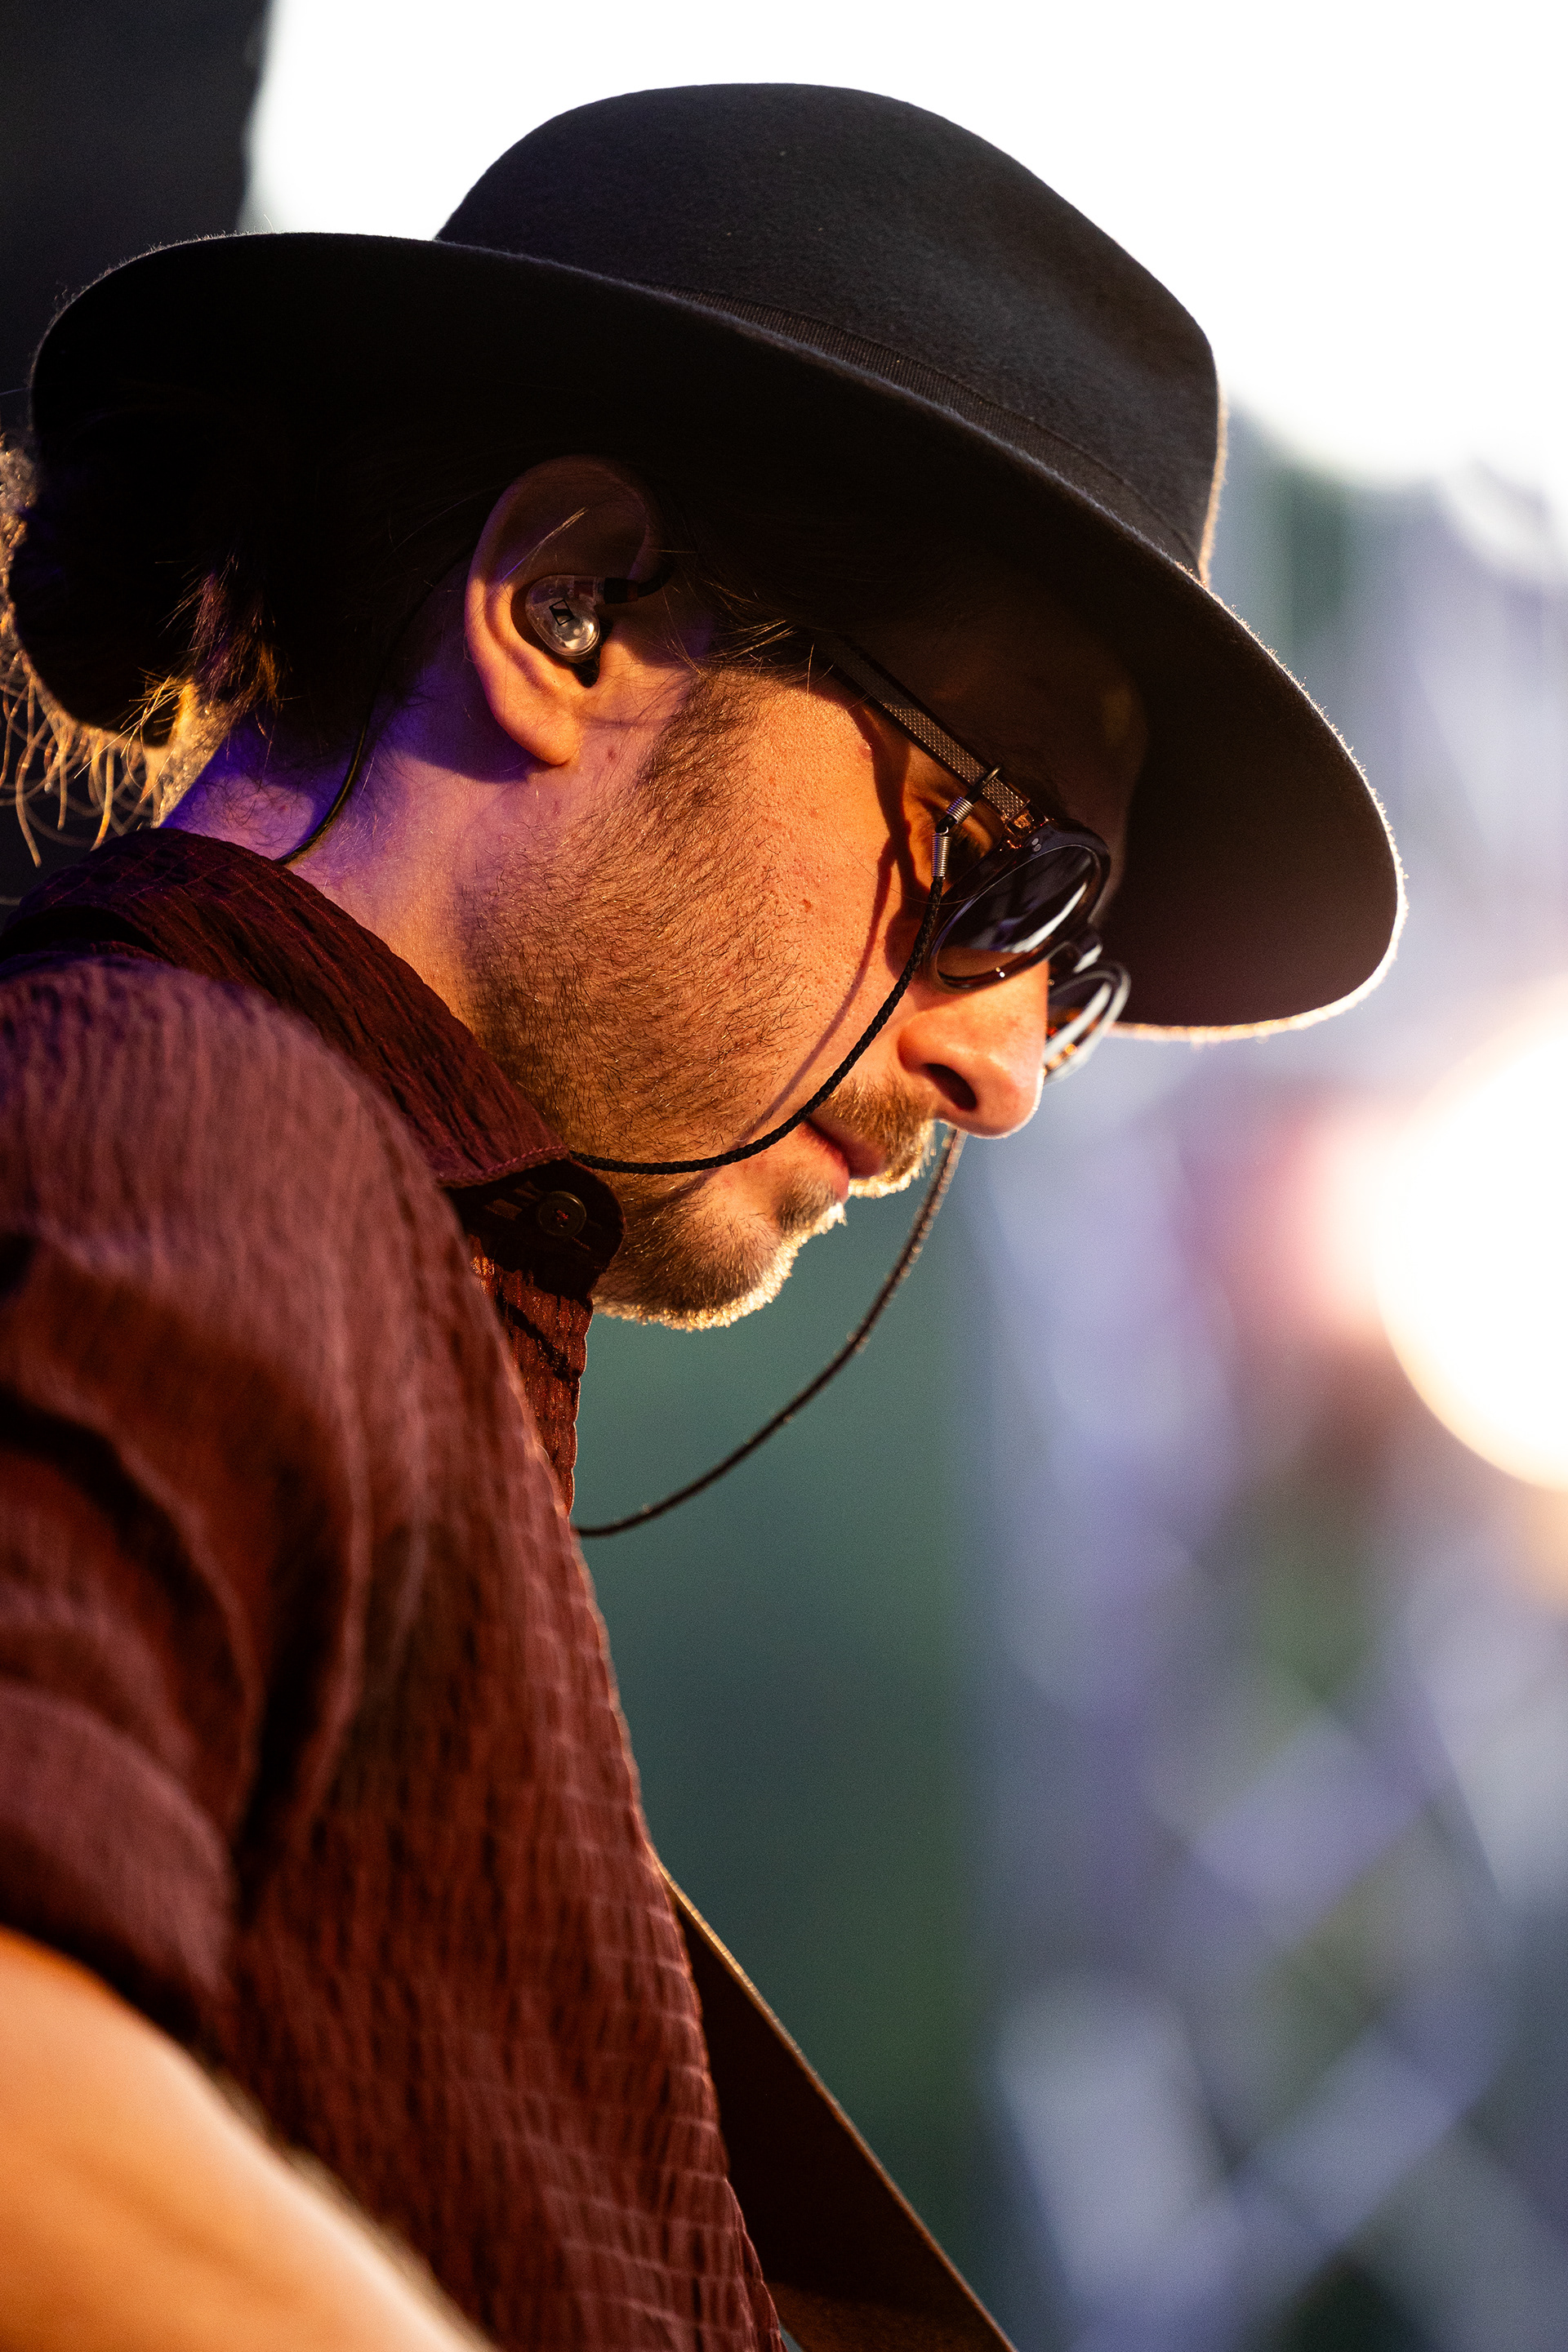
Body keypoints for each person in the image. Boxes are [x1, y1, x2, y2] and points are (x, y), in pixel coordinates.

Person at [0, 82, 1401, 2352]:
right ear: (568, 610)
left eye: (1079, 968)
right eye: (1006, 867)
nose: (1009, 1066)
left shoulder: (330, 1256)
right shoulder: (204, 1130)